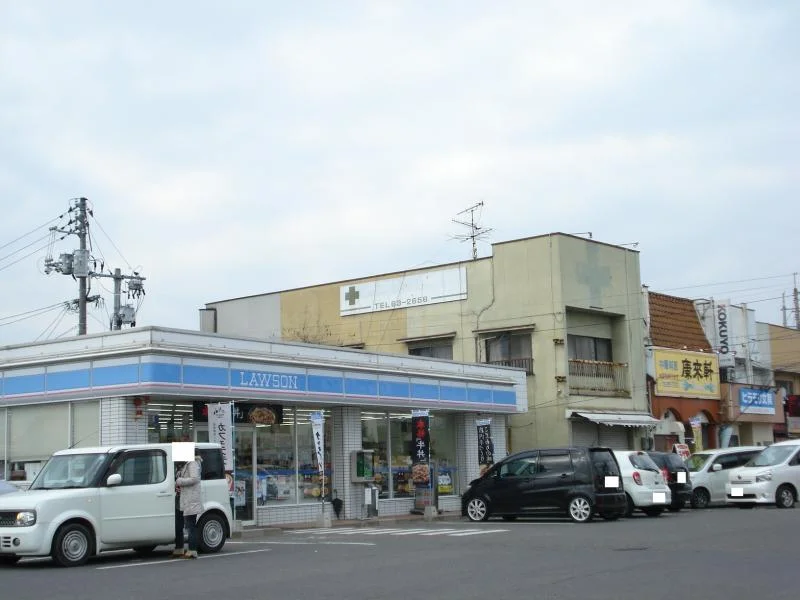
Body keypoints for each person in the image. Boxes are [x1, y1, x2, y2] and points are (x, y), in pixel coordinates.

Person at [173, 455, 203, 559]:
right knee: (179, 524)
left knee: (190, 525)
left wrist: (180, 481)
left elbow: (195, 479)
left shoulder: (192, 463)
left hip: (190, 500)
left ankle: (192, 550)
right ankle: (179, 548)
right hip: (181, 498)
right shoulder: (182, 464)